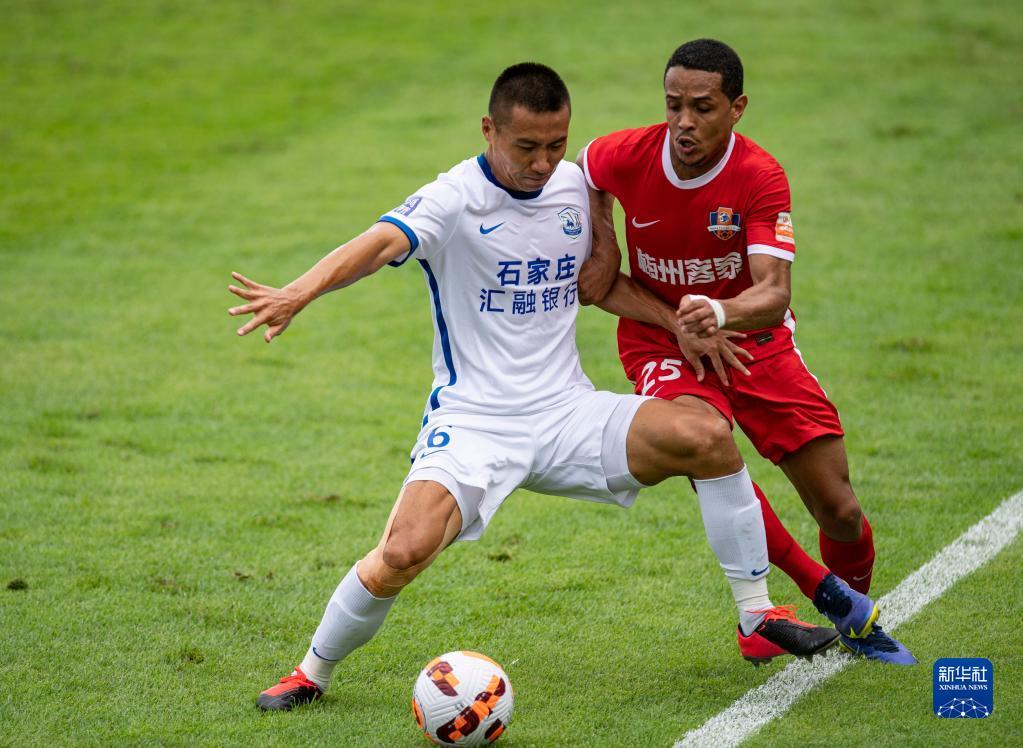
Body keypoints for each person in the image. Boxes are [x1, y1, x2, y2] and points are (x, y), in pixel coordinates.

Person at [228, 63, 840, 714]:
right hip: (475, 422)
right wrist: (298, 292)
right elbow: (378, 244)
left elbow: (600, 277)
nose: (543, 163)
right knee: (402, 551)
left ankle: (755, 615)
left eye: (556, 144)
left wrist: (677, 326)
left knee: (707, 437)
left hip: (566, 413)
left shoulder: (572, 185)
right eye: (526, 147)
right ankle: (311, 672)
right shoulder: (454, 199)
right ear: (489, 130)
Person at [577, 39, 915, 664]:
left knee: (840, 509)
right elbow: (587, 169)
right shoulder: (627, 155)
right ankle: (792, 601)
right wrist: (605, 240)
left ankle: (853, 618)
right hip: (661, 341)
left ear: (737, 108)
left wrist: (718, 313)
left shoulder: (760, 176)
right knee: (705, 441)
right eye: (673, 105)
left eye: (702, 107)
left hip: (752, 340)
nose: (683, 122)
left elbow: (774, 292)